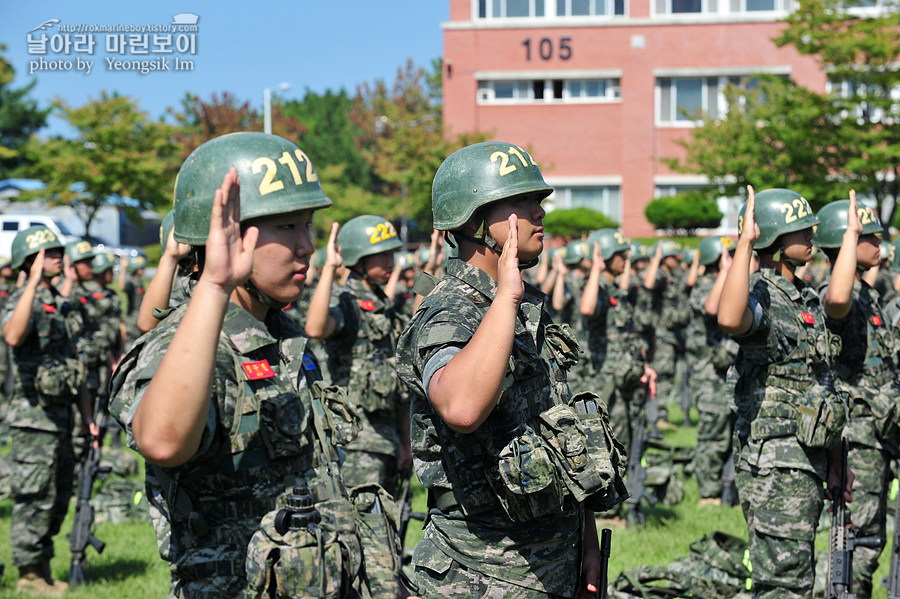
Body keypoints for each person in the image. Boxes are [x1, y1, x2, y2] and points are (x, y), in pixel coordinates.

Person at [108, 132, 372, 598]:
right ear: (225, 234)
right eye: (287, 228)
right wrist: (214, 286)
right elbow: (162, 441)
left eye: (307, 226)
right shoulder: (186, 342)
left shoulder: (283, 336)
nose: (307, 246)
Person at [396, 141, 627, 598]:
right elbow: (461, 407)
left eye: (539, 200)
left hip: (554, 559)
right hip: (478, 571)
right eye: (522, 202)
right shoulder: (449, 311)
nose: (540, 213)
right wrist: (505, 298)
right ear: (474, 219)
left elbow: (561, 435)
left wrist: (586, 543)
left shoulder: (526, 305)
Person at [717, 186, 853, 599]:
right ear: (774, 239)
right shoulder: (762, 292)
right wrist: (744, 244)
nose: (811, 234)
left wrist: (835, 457)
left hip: (808, 454)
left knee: (797, 578)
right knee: (783, 583)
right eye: (800, 229)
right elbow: (731, 316)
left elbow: (820, 381)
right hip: (776, 464)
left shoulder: (803, 295)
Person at [813, 194, 900, 597]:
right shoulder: (836, 296)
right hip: (859, 437)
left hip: (883, 430)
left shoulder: (871, 296)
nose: (880, 244)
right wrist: (850, 234)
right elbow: (837, 299)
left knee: (872, 540)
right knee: (857, 545)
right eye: (869, 237)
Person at [3, 226, 97, 596]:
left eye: (59, 251)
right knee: (33, 496)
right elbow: (12, 336)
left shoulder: (58, 303)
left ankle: (41, 568)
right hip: (32, 420)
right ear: (31, 260)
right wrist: (32, 283)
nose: (60, 256)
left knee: (57, 496)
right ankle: (28, 575)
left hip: (62, 417)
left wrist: (87, 416)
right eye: (50, 253)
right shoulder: (19, 299)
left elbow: (76, 365)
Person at [689, 236, 739, 506]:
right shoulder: (704, 286)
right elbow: (711, 306)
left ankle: (725, 488)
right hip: (707, 375)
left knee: (728, 433)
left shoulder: (725, 284)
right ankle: (707, 493)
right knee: (712, 434)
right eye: (727, 255)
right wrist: (726, 271)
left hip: (726, 374)